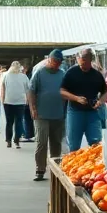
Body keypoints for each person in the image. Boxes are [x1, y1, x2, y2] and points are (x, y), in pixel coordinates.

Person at [28, 49, 67, 181]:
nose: (56, 64)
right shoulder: (39, 73)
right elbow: (31, 91)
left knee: (56, 143)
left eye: (59, 62)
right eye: (54, 61)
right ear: (49, 60)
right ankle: (40, 169)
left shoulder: (63, 74)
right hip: (41, 114)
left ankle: (56, 170)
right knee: (41, 142)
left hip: (58, 114)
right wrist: (33, 108)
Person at [61, 48, 107, 151]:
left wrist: (100, 101)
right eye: (81, 61)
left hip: (92, 113)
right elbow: (62, 91)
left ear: (90, 60)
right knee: (74, 144)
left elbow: (105, 92)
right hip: (75, 112)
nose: (83, 64)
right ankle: (73, 164)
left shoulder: (97, 75)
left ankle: (94, 164)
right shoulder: (71, 73)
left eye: (85, 62)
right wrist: (76, 98)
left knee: (96, 144)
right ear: (78, 59)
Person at [0, 61, 30, 148]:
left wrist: (2, 99)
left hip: (8, 101)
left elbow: (3, 88)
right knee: (19, 122)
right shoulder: (24, 77)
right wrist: (27, 100)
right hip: (20, 102)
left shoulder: (6, 76)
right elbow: (28, 89)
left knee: (9, 122)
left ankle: (8, 140)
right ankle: (17, 140)